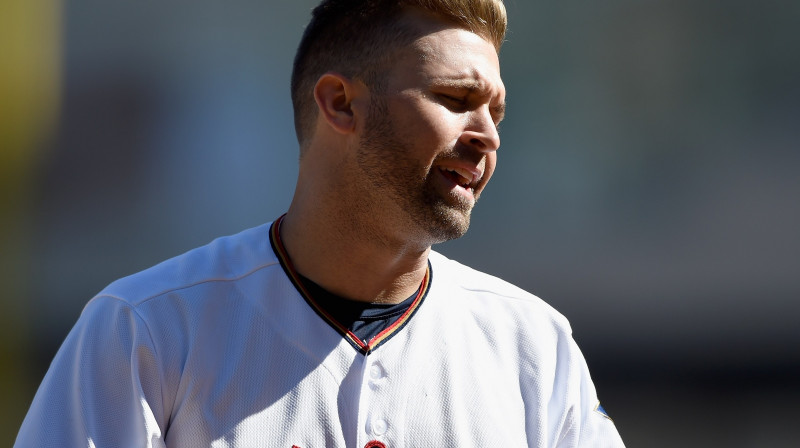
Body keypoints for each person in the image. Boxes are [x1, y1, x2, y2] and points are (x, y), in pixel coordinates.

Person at [16, 0, 625, 446]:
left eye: (495, 111)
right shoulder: (148, 329)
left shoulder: (531, 346)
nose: (488, 136)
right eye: (456, 99)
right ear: (340, 103)